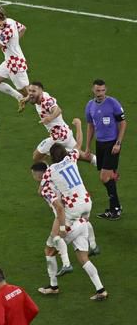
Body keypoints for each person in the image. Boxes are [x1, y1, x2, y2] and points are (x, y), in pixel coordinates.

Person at [32, 145, 108, 301]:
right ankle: (101, 289)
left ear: (37, 175)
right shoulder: (69, 159)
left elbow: (58, 208)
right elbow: (77, 148)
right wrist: (79, 127)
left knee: (50, 250)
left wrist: (61, 228)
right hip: (83, 212)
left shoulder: (48, 182)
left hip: (69, 218)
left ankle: (55, 284)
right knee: (83, 257)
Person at [84, 79, 127, 219]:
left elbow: (123, 123)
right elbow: (90, 126)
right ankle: (116, 207)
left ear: (106, 90)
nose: (100, 93)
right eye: (98, 90)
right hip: (100, 144)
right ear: (93, 90)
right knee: (108, 177)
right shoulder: (90, 105)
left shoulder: (113, 103)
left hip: (112, 144)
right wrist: (88, 146)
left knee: (104, 177)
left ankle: (115, 209)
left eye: (102, 90)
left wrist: (118, 143)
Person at [25, 82, 95, 164]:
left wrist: (49, 118)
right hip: (65, 132)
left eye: (33, 91)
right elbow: (31, 96)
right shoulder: (42, 95)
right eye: (29, 90)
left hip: (57, 136)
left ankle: (50, 172)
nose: (30, 93)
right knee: (80, 154)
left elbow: (58, 110)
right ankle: (100, 162)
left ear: (40, 91)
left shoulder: (46, 102)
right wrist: (25, 100)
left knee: (36, 157)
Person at [0, 5, 30, 111]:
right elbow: (23, 28)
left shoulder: (5, 30)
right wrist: (14, 42)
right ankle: (19, 97)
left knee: (29, 94)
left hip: (15, 64)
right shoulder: (10, 21)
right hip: (8, 61)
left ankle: (45, 107)